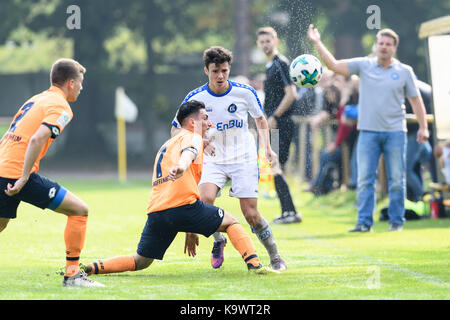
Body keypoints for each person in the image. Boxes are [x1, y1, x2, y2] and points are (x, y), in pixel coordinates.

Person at [77, 100, 278, 279]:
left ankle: (89, 268)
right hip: (183, 207)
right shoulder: (192, 138)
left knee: (141, 261)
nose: (210, 123)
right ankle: (255, 265)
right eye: (205, 118)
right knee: (231, 222)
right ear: (192, 123)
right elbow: (189, 154)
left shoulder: (167, 144)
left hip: (157, 212)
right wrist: (182, 166)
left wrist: (191, 228)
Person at [171, 46, 286, 271]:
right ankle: (218, 240)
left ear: (229, 69)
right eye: (215, 71)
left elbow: (261, 121)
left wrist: (268, 149)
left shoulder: (244, 92)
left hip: (243, 157)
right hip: (212, 159)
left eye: (224, 70)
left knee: (251, 214)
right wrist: (201, 142)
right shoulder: (195, 98)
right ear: (206, 70)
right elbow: (175, 130)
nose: (220, 76)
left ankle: (275, 256)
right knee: (204, 202)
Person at [308, 25, 429, 232]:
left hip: (395, 132)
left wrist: (423, 127)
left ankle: (396, 222)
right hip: (368, 132)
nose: (383, 47)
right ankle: (364, 223)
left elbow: (416, 100)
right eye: (380, 43)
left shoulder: (404, 71)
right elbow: (334, 65)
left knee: (397, 180)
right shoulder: (364, 65)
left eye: (388, 44)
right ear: (376, 45)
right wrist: (317, 43)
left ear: (394, 48)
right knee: (364, 179)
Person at [0, 58, 103, 287]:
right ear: (70, 83)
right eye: (80, 82)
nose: (82, 88)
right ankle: (73, 275)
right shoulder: (61, 105)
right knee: (79, 210)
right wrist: (25, 176)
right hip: (16, 174)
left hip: (3, 168)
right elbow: (37, 138)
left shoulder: (37, 99)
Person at [256, 26, 302, 224]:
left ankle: (291, 212)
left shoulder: (281, 63)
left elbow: (292, 94)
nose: (266, 44)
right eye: (262, 41)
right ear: (258, 44)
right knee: (274, 165)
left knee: (275, 164)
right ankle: (287, 212)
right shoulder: (269, 66)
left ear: (275, 41)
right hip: (274, 122)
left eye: (269, 41)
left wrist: (274, 115)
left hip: (282, 122)